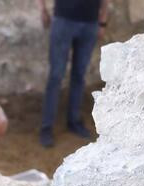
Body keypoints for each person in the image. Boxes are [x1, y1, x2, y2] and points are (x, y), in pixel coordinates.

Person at [37, 0, 109, 148]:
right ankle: (46, 127)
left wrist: (102, 22)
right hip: (64, 20)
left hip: (90, 23)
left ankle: (74, 121)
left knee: (79, 75)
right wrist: (42, 9)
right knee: (56, 75)